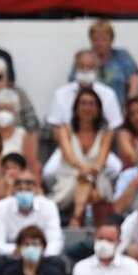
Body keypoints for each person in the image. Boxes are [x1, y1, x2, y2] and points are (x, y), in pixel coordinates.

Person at [51, 88, 115, 222]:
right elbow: (69, 157)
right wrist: (84, 170)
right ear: (75, 108)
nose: (87, 108)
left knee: (87, 181)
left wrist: (90, 172)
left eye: (91, 104)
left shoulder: (106, 133)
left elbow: (101, 161)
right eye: (83, 103)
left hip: (96, 176)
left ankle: (76, 218)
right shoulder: (64, 130)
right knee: (87, 185)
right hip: (70, 176)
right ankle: (79, 218)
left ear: (98, 109)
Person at [0, 172, 63, 275]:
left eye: (28, 188)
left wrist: (36, 251)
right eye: (20, 188)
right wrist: (19, 250)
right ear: (13, 189)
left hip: (41, 257)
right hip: (14, 258)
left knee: (56, 262)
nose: (24, 190)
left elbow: (56, 244)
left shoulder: (49, 206)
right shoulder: (2, 206)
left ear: (37, 189)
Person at [45, 50, 123, 133]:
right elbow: (54, 125)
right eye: (81, 66)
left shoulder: (108, 94)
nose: (85, 70)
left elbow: (114, 126)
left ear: (96, 69)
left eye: (90, 67)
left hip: (101, 142)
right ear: (75, 68)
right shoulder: (60, 94)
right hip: (66, 141)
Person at [73, 223, 138, 275]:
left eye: (110, 240)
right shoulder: (81, 267)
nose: (104, 243)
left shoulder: (132, 266)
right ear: (94, 238)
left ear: (119, 241)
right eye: (100, 238)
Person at [0, 89, 40, 178]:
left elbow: (32, 164)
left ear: (15, 111)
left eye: (8, 109)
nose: (4, 112)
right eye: (0, 108)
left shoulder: (23, 135)